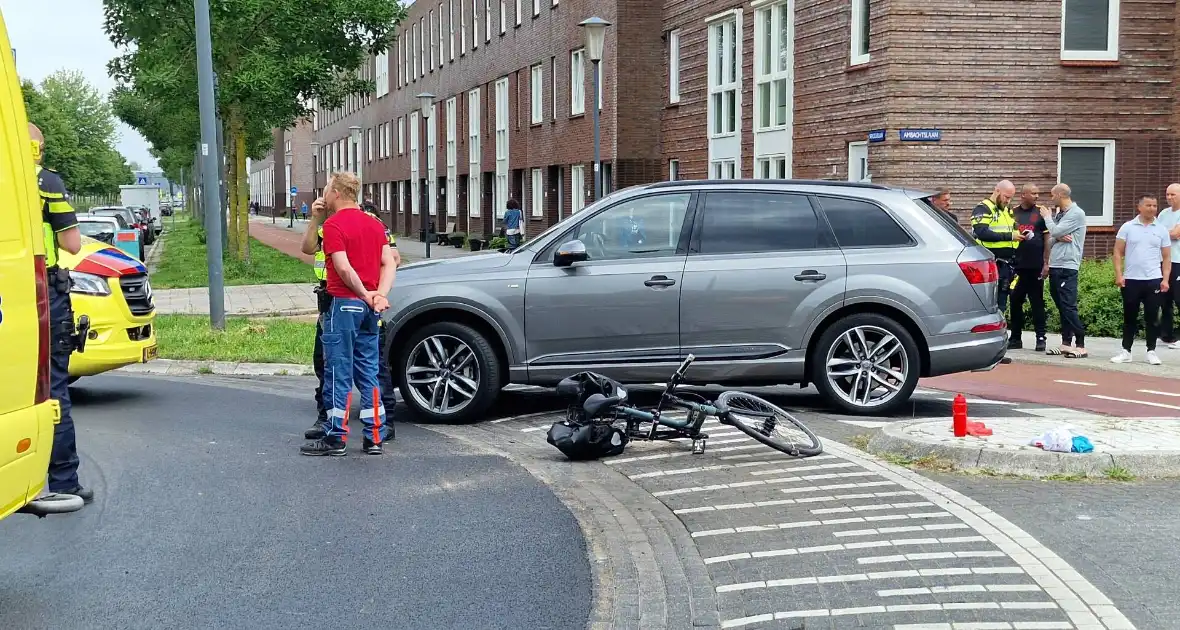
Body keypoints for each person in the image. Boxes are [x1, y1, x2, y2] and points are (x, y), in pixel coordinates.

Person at [301, 172, 398, 456]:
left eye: (328, 190)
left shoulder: (333, 225)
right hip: (370, 310)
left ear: (338, 193)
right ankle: (374, 437)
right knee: (369, 371)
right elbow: (389, 262)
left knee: (337, 371)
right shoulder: (374, 224)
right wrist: (378, 294)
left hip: (343, 304)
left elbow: (342, 268)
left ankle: (336, 437)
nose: (325, 194)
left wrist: (364, 293)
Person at [30, 123, 90, 506]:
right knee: (53, 387)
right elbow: (72, 244)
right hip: (40, 295)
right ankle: (63, 481)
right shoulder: (47, 183)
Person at [1111, 194, 1171, 365]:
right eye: (1148, 205)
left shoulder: (1161, 229)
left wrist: (1165, 279)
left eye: (1154, 205)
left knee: (1152, 318)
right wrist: (1119, 275)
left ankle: (1151, 351)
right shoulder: (1128, 227)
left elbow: (1166, 257)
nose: (1152, 208)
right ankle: (1126, 351)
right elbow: (1117, 252)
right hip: (1131, 280)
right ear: (1139, 207)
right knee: (1129, 317)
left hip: (1153, 279)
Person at [1041, 183, 1088, 358]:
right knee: (1061, 306)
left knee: (1068, 306)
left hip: (1068, 265)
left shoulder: (1076, 213)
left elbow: (1054, 230)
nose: (1051, 198)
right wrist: (1058, 235)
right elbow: (1051, 240)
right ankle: (1066, 343)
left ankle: (1081, 344)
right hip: (1055, 264)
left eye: (1053, 195)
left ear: (1061, 195)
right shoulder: (1062, 215)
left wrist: (1048, 218)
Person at [1008, 184, 1051, 352]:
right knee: (1015, 301)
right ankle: (1016, 337)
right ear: (1023, 195)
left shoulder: (1041, 212)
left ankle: (1041, 338)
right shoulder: (1013, 213)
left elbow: (1048, 238)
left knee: (1037, 302)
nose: (1037, 196)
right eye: (1033, 193)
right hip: (1017, 267)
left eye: (1037, 193)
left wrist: (1046, 262)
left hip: (1035, 266)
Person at [971, 180, 1021, 314]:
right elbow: (982, 233)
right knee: (991, 302)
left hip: (1006, 263)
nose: (1008, 201)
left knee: (1002, 301)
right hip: (991, 262)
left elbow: (1012, 229)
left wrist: (1020, 236)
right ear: (997, 191)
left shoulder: (1007, 209)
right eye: (1006, 197)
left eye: (1011, 198)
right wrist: (1010, 236)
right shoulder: (983, 208)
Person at [1154, 183, 1180, 349]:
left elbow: (1176, 234)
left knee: (1179, 298)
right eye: (1167, 194)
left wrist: (1164, 233)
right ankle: (1166, 335)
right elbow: (1154, 231)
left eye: (1173, 194)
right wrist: (1166, 233)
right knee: (1164, 299)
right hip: (1163, 261)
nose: (1169, 197)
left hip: (1179, 261)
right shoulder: (1164, 213)